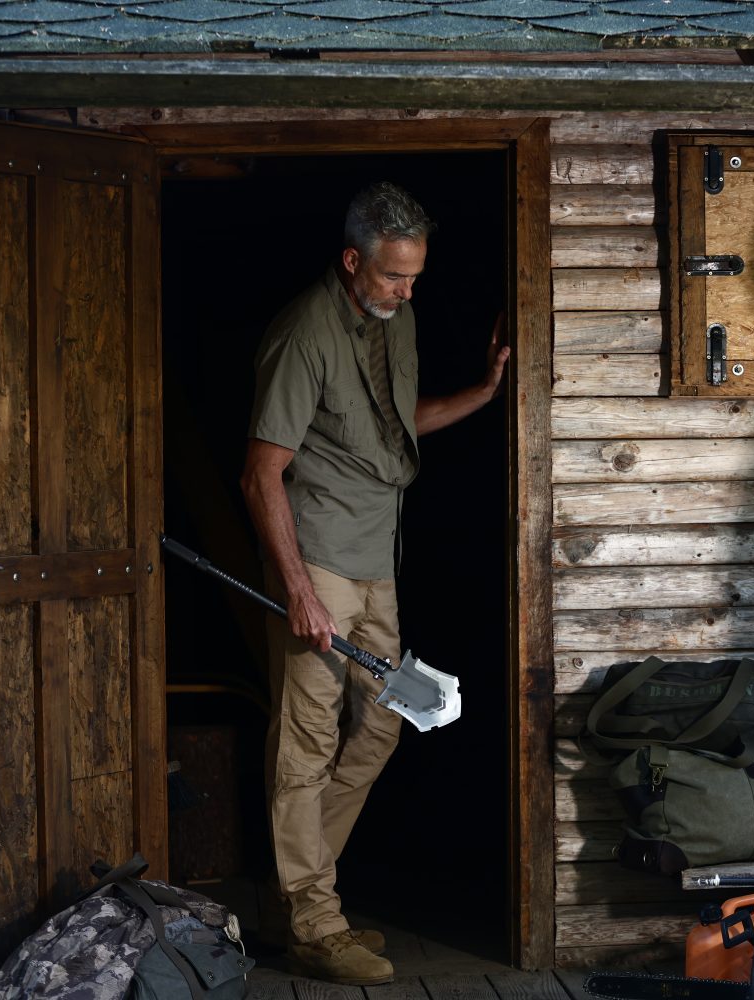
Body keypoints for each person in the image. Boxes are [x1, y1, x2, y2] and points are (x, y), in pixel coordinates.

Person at [240, 181, 508, 985]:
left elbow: (391, 431)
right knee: (309, 741)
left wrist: (482, 395)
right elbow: (262, 474)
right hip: (317, 559)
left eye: (416, 276)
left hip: (377, 559)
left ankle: (303, 895)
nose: (408, 290)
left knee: (391, 720)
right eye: (394, 276)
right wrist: (298, 590)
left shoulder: (400, 319)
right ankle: (316, 921)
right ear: (353, 260)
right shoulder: (303, 334)